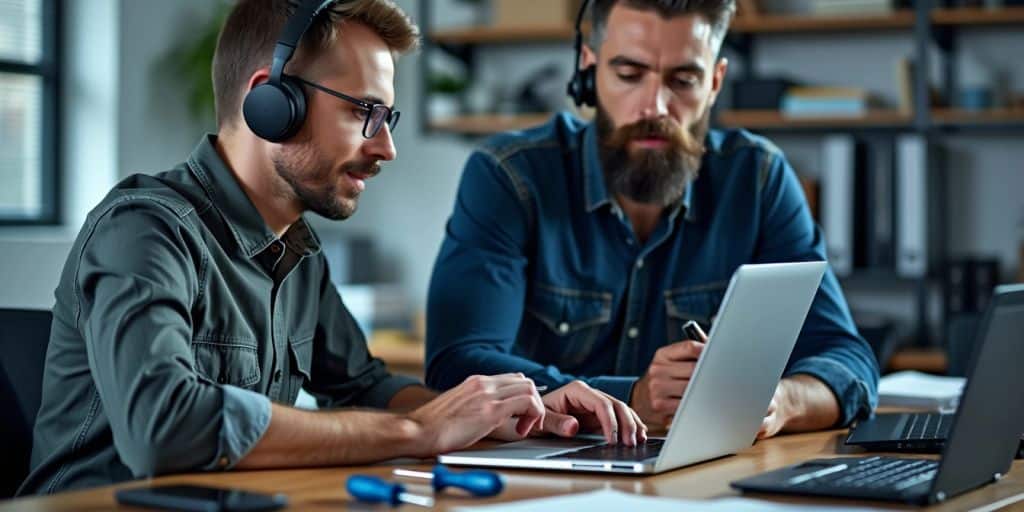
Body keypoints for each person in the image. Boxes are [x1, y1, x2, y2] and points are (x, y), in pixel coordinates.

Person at [19, 0, 644, 496]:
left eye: (388, 118)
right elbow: (165, 426)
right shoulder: (145, 230)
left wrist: (488, 418)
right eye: (366, 112)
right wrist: (416, 430)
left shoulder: (298, 254)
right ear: (271, 102)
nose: (385, 148)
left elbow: (366, 386)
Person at [426, 0, 879, 437]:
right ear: (589, 68)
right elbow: (458, 363)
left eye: (683, 80)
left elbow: (847, 360)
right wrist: (633, 397)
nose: (655, 107)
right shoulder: (509, 175)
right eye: (629, 74)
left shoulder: (758, 179)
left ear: (715, 81)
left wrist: (780, 401)